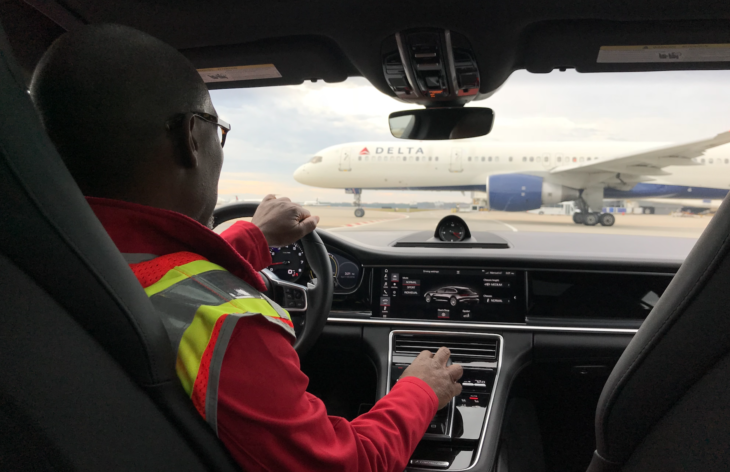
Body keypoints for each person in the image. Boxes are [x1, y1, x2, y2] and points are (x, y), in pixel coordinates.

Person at [30, 24, 463, 472]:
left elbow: (152, 270)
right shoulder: (229, 328)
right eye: (217, 130)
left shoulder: (40, 264)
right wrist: (420, 391)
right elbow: (348, 464)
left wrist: (252, 238)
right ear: (189, 138)